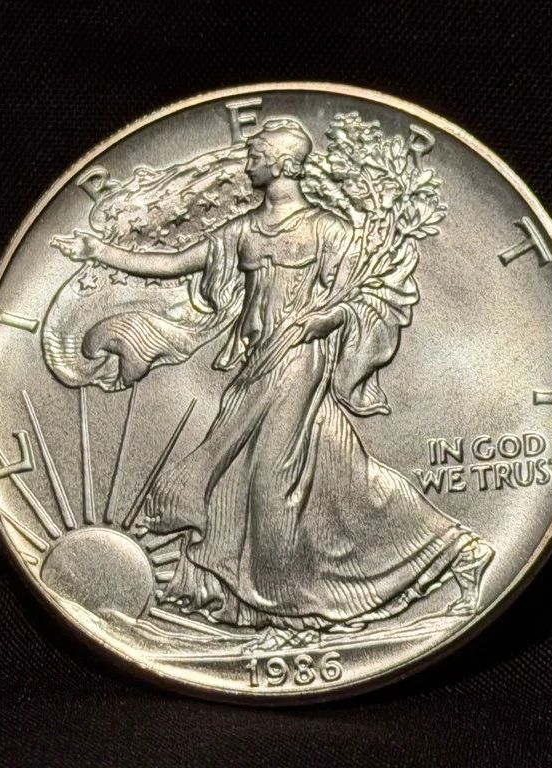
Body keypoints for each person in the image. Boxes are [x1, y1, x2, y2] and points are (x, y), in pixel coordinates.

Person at [53, 118, 493, 635]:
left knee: (270, 480)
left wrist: (329, 318)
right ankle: (455, 553)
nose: (248, 165)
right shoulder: (243, 230)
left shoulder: (328, 230)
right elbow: (173, 263)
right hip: (257, 362)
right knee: (326, 477)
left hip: (299, 360)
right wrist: (99, 252)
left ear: (283, 165)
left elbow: (372, 295)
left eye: (257, 157)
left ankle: (285, 599)